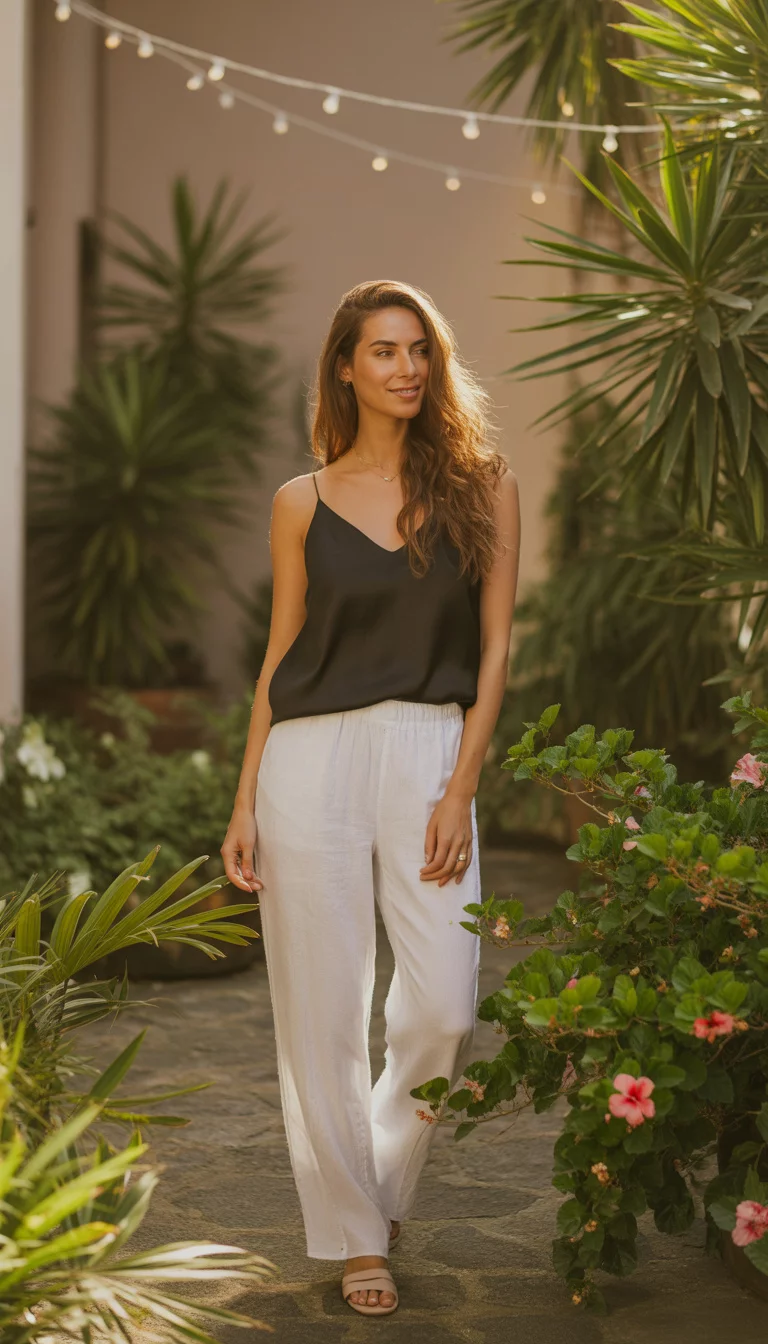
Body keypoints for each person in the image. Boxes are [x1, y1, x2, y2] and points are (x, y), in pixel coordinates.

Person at [221, 279, 520, 1317]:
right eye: (382, 352)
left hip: (431, 747)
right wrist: (246, 794)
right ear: (345, 368)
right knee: (321, 1007)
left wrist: (463, 784)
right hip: (310, 757)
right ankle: (356, 1236)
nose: (404, 368)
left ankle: (378, 1185)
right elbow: (281, 654)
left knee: (442, 1006)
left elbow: (494, 649)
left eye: (418, 351)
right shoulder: (298, 501)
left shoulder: (483, 486)